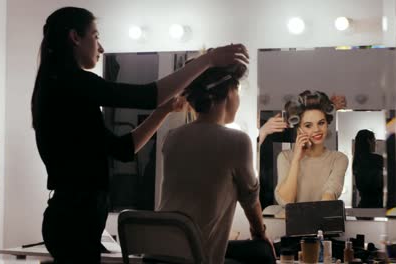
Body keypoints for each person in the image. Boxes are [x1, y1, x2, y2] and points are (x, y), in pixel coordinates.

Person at [31, 6, 249, 264]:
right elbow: (148, 95)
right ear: (75, 37)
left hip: (74, 218)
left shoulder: (62, 86)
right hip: (74, 219)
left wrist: (164, 111)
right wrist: (209, 60)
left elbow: (124, 149)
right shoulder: (71, 82)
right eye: (96, 35)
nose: (100, 47)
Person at [158, 58, 275, 264]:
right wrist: (260, 234)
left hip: (160, 252)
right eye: (237, 91)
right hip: (197, 257)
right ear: (230, 93)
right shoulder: (237, 140)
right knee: (262, 252)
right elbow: (250, 200)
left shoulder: (172, 137)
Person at [275, 90, 348, 205]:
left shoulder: (339, 159)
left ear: (327, 123)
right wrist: (296, 160)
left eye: (321, 123)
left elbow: (329, 195)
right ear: (299, 129)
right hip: (289, 223)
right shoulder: (285, 157)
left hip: (321, 222)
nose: (317, 130)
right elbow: (285, 202)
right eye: (308, 125)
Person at [353, 129, 384, 208]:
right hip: (377, 205)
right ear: (369, 141)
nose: (375, 144)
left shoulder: (356, 162)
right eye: (374, 141)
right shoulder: (378, 160)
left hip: (363, 205)